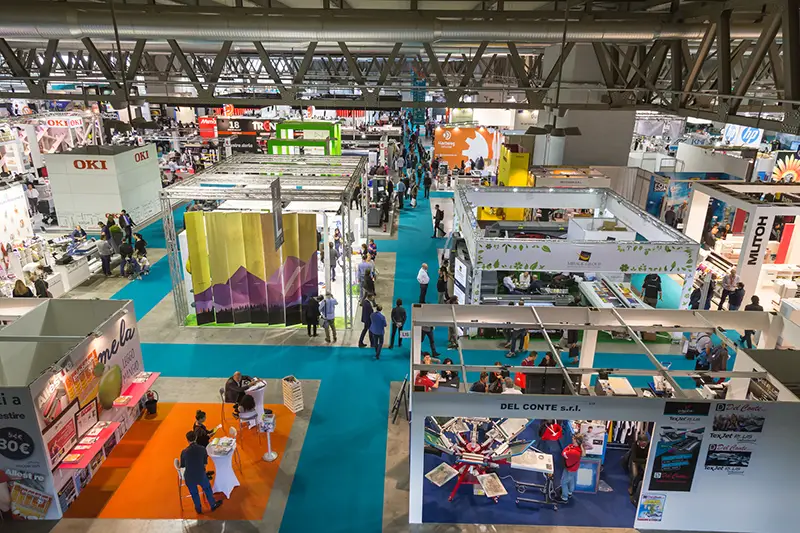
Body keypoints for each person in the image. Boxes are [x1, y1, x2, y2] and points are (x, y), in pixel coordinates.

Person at [180, 431, 223, 515]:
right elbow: (205, 463)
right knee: (207, 488)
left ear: (187, 440)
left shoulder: (184, 452)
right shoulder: (202, 449)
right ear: (196, 438)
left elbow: (182, 465)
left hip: (189, 477)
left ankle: (198, 508)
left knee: (194, 493)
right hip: (200, 474)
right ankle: (213, 504)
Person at [559, 433, 586, 503]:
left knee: (563, 482)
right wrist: (568, 448)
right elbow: (567, 448)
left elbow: (564, 453)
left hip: (569, 469)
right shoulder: (578, 449)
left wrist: (568, 449)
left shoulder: (573, 452)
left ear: (576, 441)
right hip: (574, 468)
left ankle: (564, 497)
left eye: (573, 439)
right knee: (571, 480)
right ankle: (569, 492)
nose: (572, 439)